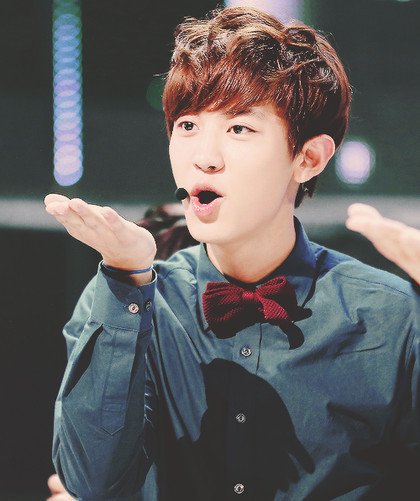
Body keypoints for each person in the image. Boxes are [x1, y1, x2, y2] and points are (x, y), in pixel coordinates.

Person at [45, 6, 419, 500]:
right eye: (187, 125)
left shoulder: (392, 316)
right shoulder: (125, 302)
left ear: (308, 158)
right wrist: (126, 279)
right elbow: (90, 483)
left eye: (239, 128)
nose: (204, 157)